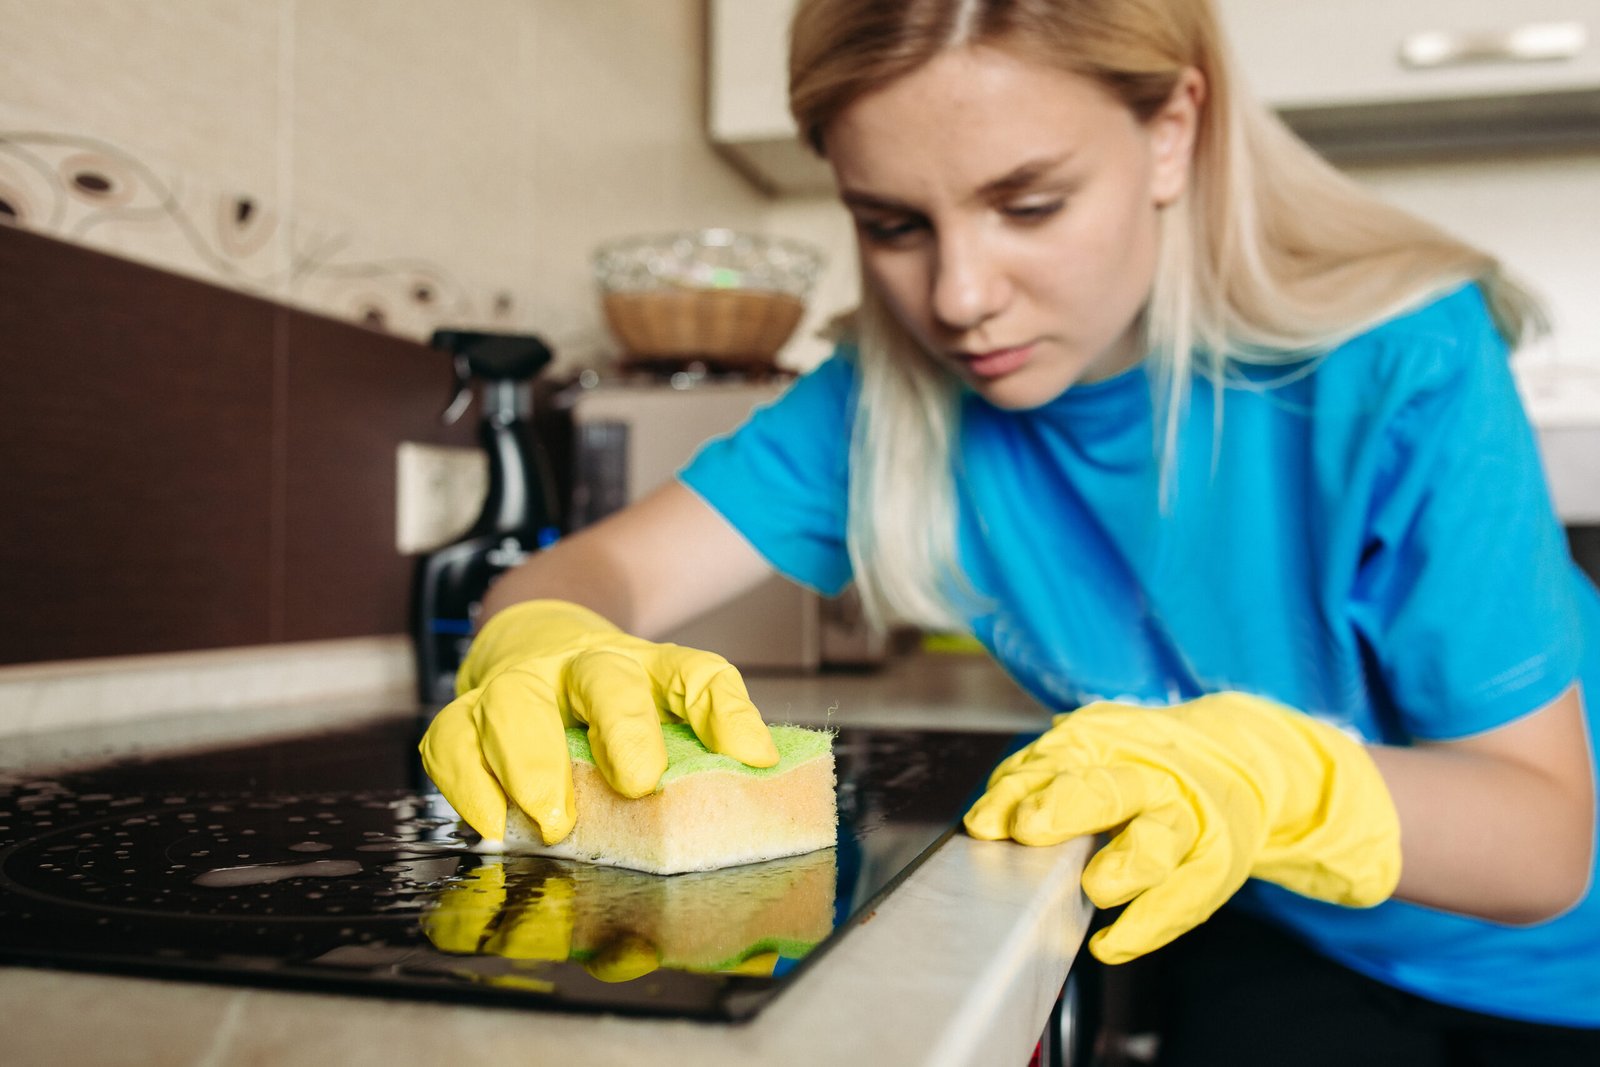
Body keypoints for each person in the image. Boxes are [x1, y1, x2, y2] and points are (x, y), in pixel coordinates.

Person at [420, 0, 1600, 1060]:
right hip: (1290, 917)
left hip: (1562, 959)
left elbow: (1542, 842)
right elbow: (597, 571)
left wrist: (1273, 773)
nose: (958, 297)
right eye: (892, 224)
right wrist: (547, 643)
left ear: (1172, 131)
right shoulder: (886, 395)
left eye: (1028, 205)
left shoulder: (1402, 357)